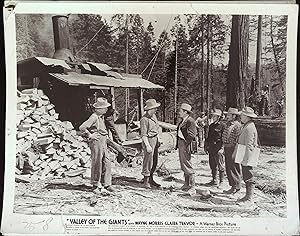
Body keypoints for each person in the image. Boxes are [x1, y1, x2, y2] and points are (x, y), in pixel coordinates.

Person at [79, 97, 115, 194]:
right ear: (99, 109)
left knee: (106, 162)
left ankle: (106, 184)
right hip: (97, 141)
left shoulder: (101, 117)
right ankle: (95, 185)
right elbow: (82, 127)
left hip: (103, 141)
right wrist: (90, 135)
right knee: (97, 162)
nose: (106, 109)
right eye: (105, 108)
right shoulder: (94, 117)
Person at [235, 107, 258, 204]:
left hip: (247, 154)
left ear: (246, 116)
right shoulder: (247, 125)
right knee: (246, 174)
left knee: (248, 175)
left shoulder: (249, 127)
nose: (240, 116)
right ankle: (247, 195)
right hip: (243, 152)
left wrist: (247, 159)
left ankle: (249, 197)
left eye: (242, 115)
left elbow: (249, 145)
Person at [140, 99, 161, 189]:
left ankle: (151, 178)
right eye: (154, 108)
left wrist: (159, 139)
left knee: (155, 161)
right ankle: (146, 181)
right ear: (149, 109)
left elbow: (157, 128)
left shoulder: (153, 116)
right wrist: (148, 145)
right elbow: (143, 134)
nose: (156, 110)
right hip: (148, 140)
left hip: (155, 139)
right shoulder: (144, 119)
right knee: (148, 161)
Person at [176, 103, 197, 195]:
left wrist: (185, 144)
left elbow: (192, 134)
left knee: (187, 164)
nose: (179, 112)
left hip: (185, 144)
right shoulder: (183, 121)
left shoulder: (190, 121)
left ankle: (192, 187)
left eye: (180, 111)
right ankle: (186, 184)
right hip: (181, 143)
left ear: (185, 112)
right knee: (183, 164)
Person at [222, 107, 242, 194]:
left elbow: (238, 139)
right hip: (227, 148)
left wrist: (235, 150)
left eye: (229, 115)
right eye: (227, 114)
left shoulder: (237, 125)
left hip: (233, 148)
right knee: (228, 167)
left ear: (234, 116)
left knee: (234, 167)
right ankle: (232, 186)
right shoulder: (227, 124)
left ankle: (237, 186)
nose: (227, 116)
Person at [204, 109, 225, 187]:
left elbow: (224, 138)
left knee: (220, 164)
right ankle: (214, 180)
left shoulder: (223, 126)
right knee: (212, 164)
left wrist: (222, 148)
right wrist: (206, 146)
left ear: (219, 117)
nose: (213, 117)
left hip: (218, 147)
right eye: (213, 115)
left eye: (215, 116)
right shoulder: (211, 125)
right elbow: (208, 137)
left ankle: (221, 181)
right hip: (211, 147)